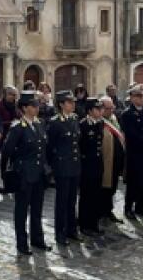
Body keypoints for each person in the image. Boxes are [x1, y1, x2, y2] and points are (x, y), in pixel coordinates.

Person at [2, 93, 49, 255]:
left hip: (38, 174)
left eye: (37, 105)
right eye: (33, 106)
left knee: (37, 209)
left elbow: (43, 149)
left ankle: (38, 239)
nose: (37, 108)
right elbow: (7, 151)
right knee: (21, 210)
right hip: (23, 174)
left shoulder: (39, 124)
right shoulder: (17, 127)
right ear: (24, 108)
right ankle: (22, 243)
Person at [48, 91, 83, 245]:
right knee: (62, 201)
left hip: (74, 165)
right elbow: (50, 147)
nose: (73, 104)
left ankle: (71, 229)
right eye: (69, 102)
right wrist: (53, 167)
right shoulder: (55, 122)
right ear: (61, 104)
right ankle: (60, 233)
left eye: (73, 102)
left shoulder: (75, 119)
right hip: (62, 166)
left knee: (72, 200)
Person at [120, 85, 143, 218]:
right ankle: (128, 208)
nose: (141, 98)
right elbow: (131, 134)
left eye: (142, 96)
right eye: (138, 96)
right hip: (135, 153)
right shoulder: (127, 114)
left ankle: (140, 207)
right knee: (133, 183)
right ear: (132, 98)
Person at [77, 98, 107, 236]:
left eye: (101, 109)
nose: (100, 111)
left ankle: (94, 223)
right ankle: (84, 224)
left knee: (96, 195)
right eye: (97, 109)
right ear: (89, 111)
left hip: (97, 164)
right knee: (86, 195)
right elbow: (79, 146)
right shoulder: (83, 125)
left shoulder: (100, 123)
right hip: (86, 165)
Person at [99, 96, 126, 223]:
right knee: (104, 187)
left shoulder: (113, 119)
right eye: (108, 108)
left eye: (112, 108)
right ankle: (102, 211)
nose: (111, 110)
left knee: (113, 186)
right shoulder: (100, 122)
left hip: (116, 159)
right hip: (106, 160)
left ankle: (109, 210)